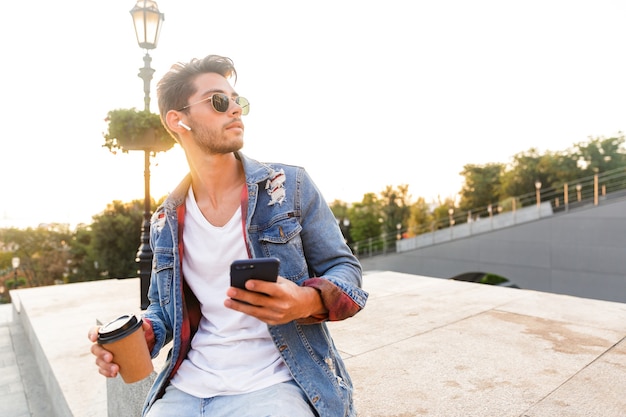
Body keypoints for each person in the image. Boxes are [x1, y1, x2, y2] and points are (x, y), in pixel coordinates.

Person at [88, 54, 368, 417]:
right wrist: (147, 334)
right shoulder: (166, 219)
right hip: (187, 386)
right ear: (178, 119)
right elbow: (163, 310)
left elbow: (346, 270)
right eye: (219, 101)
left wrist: (306, 301)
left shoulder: (289, 187)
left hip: (276, 385)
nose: (235, 110)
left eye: (238, 102)